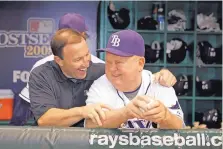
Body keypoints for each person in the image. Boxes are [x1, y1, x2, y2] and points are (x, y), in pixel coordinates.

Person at [29, 28, 178, 127]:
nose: (86, 63)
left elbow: (131, 70)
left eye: (87, 54)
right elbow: (44, 120)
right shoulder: (41, 74)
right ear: (59, 61)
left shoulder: (102, 70)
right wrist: (83, 111)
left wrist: (161, 75)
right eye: (77, 59)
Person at [85, 30, 184, 129]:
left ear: (140, 63)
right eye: (108, 62)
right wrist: (124, 113)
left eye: (119, 62)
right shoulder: (100, 86)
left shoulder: (159, 84)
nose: (111, 68)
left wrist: (166, 117)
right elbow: (90, 125)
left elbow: (180, 127)